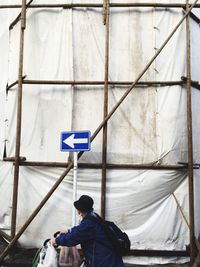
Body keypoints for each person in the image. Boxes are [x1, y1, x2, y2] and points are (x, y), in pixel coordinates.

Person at [50, 195, 124, 267]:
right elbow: (79, 230)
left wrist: (56, 241)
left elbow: (73, 237)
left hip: (105, 262)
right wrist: (69, 230)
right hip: (112, 260)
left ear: (79, 209)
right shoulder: (94, 217)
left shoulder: (89, 223)